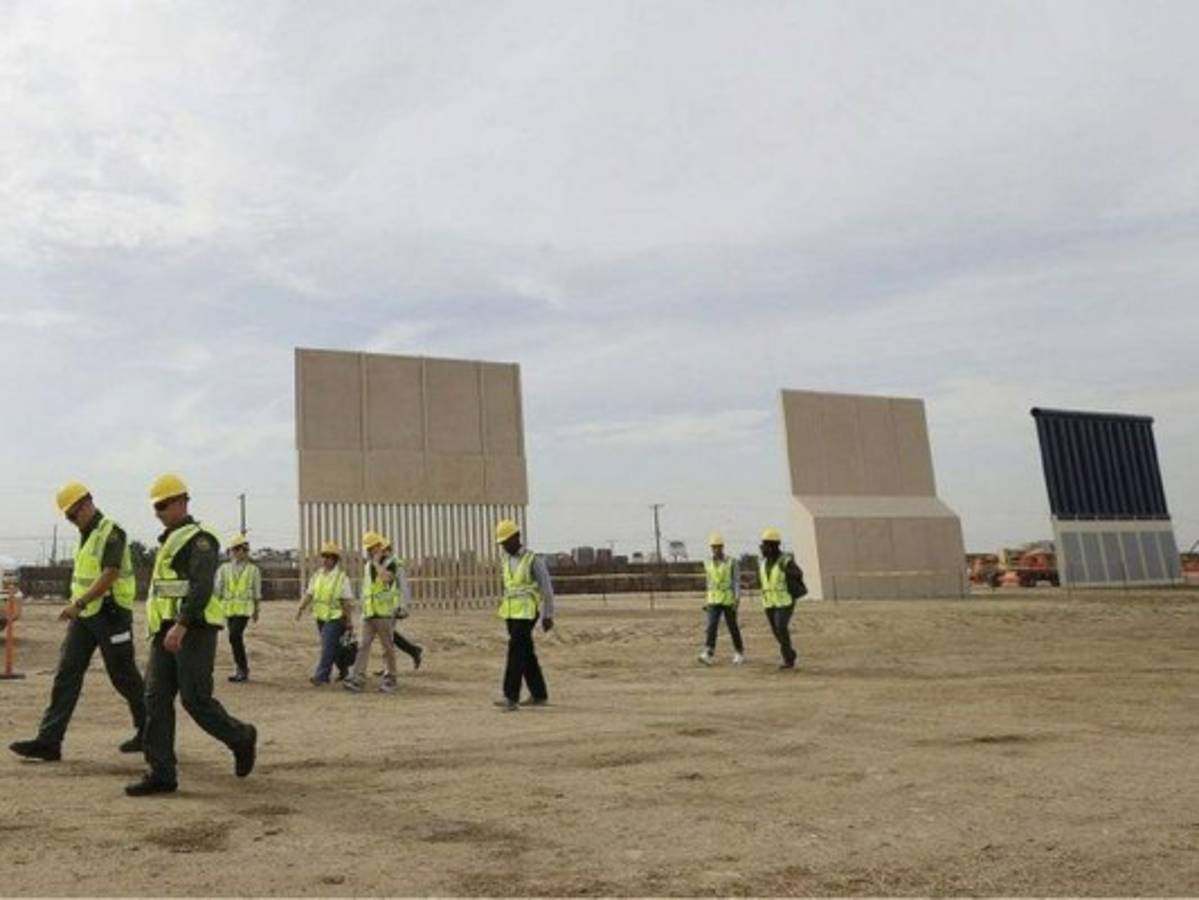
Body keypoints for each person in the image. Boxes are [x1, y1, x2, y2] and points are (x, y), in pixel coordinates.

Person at [126, 473, 257, 796]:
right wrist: (165, 628)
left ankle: (241, 737)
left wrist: (182, 625)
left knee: (195, 700)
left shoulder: (200, 539)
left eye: (163, 505)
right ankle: (161, 773)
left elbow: (199, 587)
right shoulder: (169, 541)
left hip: (193, 629)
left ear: (182, 501)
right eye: (155, 507)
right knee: (155, 699)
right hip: (165, 631)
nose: (158, 512)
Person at [9, 482, 145, 763]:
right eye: (67, 517)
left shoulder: (111, 532)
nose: (72, 521)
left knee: (124, 677)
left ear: (86, 503)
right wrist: (80, 606)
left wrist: (78, 604)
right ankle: (49, 741)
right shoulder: (85, 534)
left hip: (111, 615)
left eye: (73, 515)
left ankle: (151, 732)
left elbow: (110, 573)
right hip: (85, 617)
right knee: (67, 674)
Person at [493, 519, 555, 711]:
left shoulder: (533, 559)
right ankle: (539, 694)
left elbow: (547, 589)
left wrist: (548, 615)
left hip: (527, 612)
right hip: (510, 612)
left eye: (506, 541)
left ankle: (510, 696)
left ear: (517, 537)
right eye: (501, 543)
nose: (504, 546)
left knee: (515, 651)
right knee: (526, 652)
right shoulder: (506, 560)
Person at [345, 531, 401, 694]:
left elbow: (386, 579)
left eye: (372, 548)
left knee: (387, 648)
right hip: (369, 613)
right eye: (368, 549)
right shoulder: (367, 566)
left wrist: (377, 563)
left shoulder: (391, 563)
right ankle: (357, 678)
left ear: (379, 547)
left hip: (383, 614)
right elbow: (368, 588)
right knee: (363, 646)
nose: (369, 551)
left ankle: (391, 679)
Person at [295, 541, 354, 685]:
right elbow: (309, 593)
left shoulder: (341, 578)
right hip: (321, 617)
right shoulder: (317, 576)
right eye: (323, 557)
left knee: (327, 646)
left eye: (328, 557)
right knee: (335, 647)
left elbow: (346, 602)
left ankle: (321, 676)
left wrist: (349, 621)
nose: (325, 560)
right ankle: (344, 669)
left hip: (336, 618)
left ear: (335, 559)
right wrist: (301, 608)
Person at [757, 528, 807, 670]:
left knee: (781, 626)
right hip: (769, 602)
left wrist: (788, 573)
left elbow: (798, 573)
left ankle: (787, 659)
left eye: (765, 545)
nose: (762, 548)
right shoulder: (762, 563)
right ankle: (790, 653)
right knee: (776, 630)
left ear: (773, 546)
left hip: (785, 600)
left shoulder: (785, 561)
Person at [215, 533, 261, 683]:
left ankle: (242, 669)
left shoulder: (253, 570)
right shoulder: (224, 569)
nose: (238, 552)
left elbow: (256, 591)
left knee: (234, 635)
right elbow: (218, 589)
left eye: (241, 550)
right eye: (235, 549)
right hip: (228, 609)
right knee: (235, 638)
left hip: (244, 609)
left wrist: (256, 610)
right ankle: (241, 669)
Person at [697, 532, 745, 666]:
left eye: (718, 547)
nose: (716, 549)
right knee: (711, 626)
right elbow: (709, 582)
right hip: (713, 600)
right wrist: (706, 600)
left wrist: (737, 598)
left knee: (732, 626)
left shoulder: (732, 562)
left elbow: (736, 581)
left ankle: (739, 651)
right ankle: (708, 652)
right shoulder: (707, 562)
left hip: (728, 600)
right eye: (714, 547)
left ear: (722, 547)